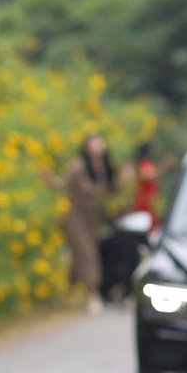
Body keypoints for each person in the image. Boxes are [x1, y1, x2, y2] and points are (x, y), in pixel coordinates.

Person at [54, 134, 114, 314]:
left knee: (81, 254)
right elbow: (64, 184)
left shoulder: (105, 166)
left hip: (93, 217)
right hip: (77, 216)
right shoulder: (78, 165)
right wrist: (49, 179)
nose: (99, 146)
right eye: (95, 143)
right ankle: (93, 295)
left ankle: (69, 291)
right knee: (87, 252)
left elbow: (113, 188)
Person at [127, 139, 161, 233]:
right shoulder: (145, 164)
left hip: (145, 201)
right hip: (146, 203)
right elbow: (148, 176)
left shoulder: (141, 164)